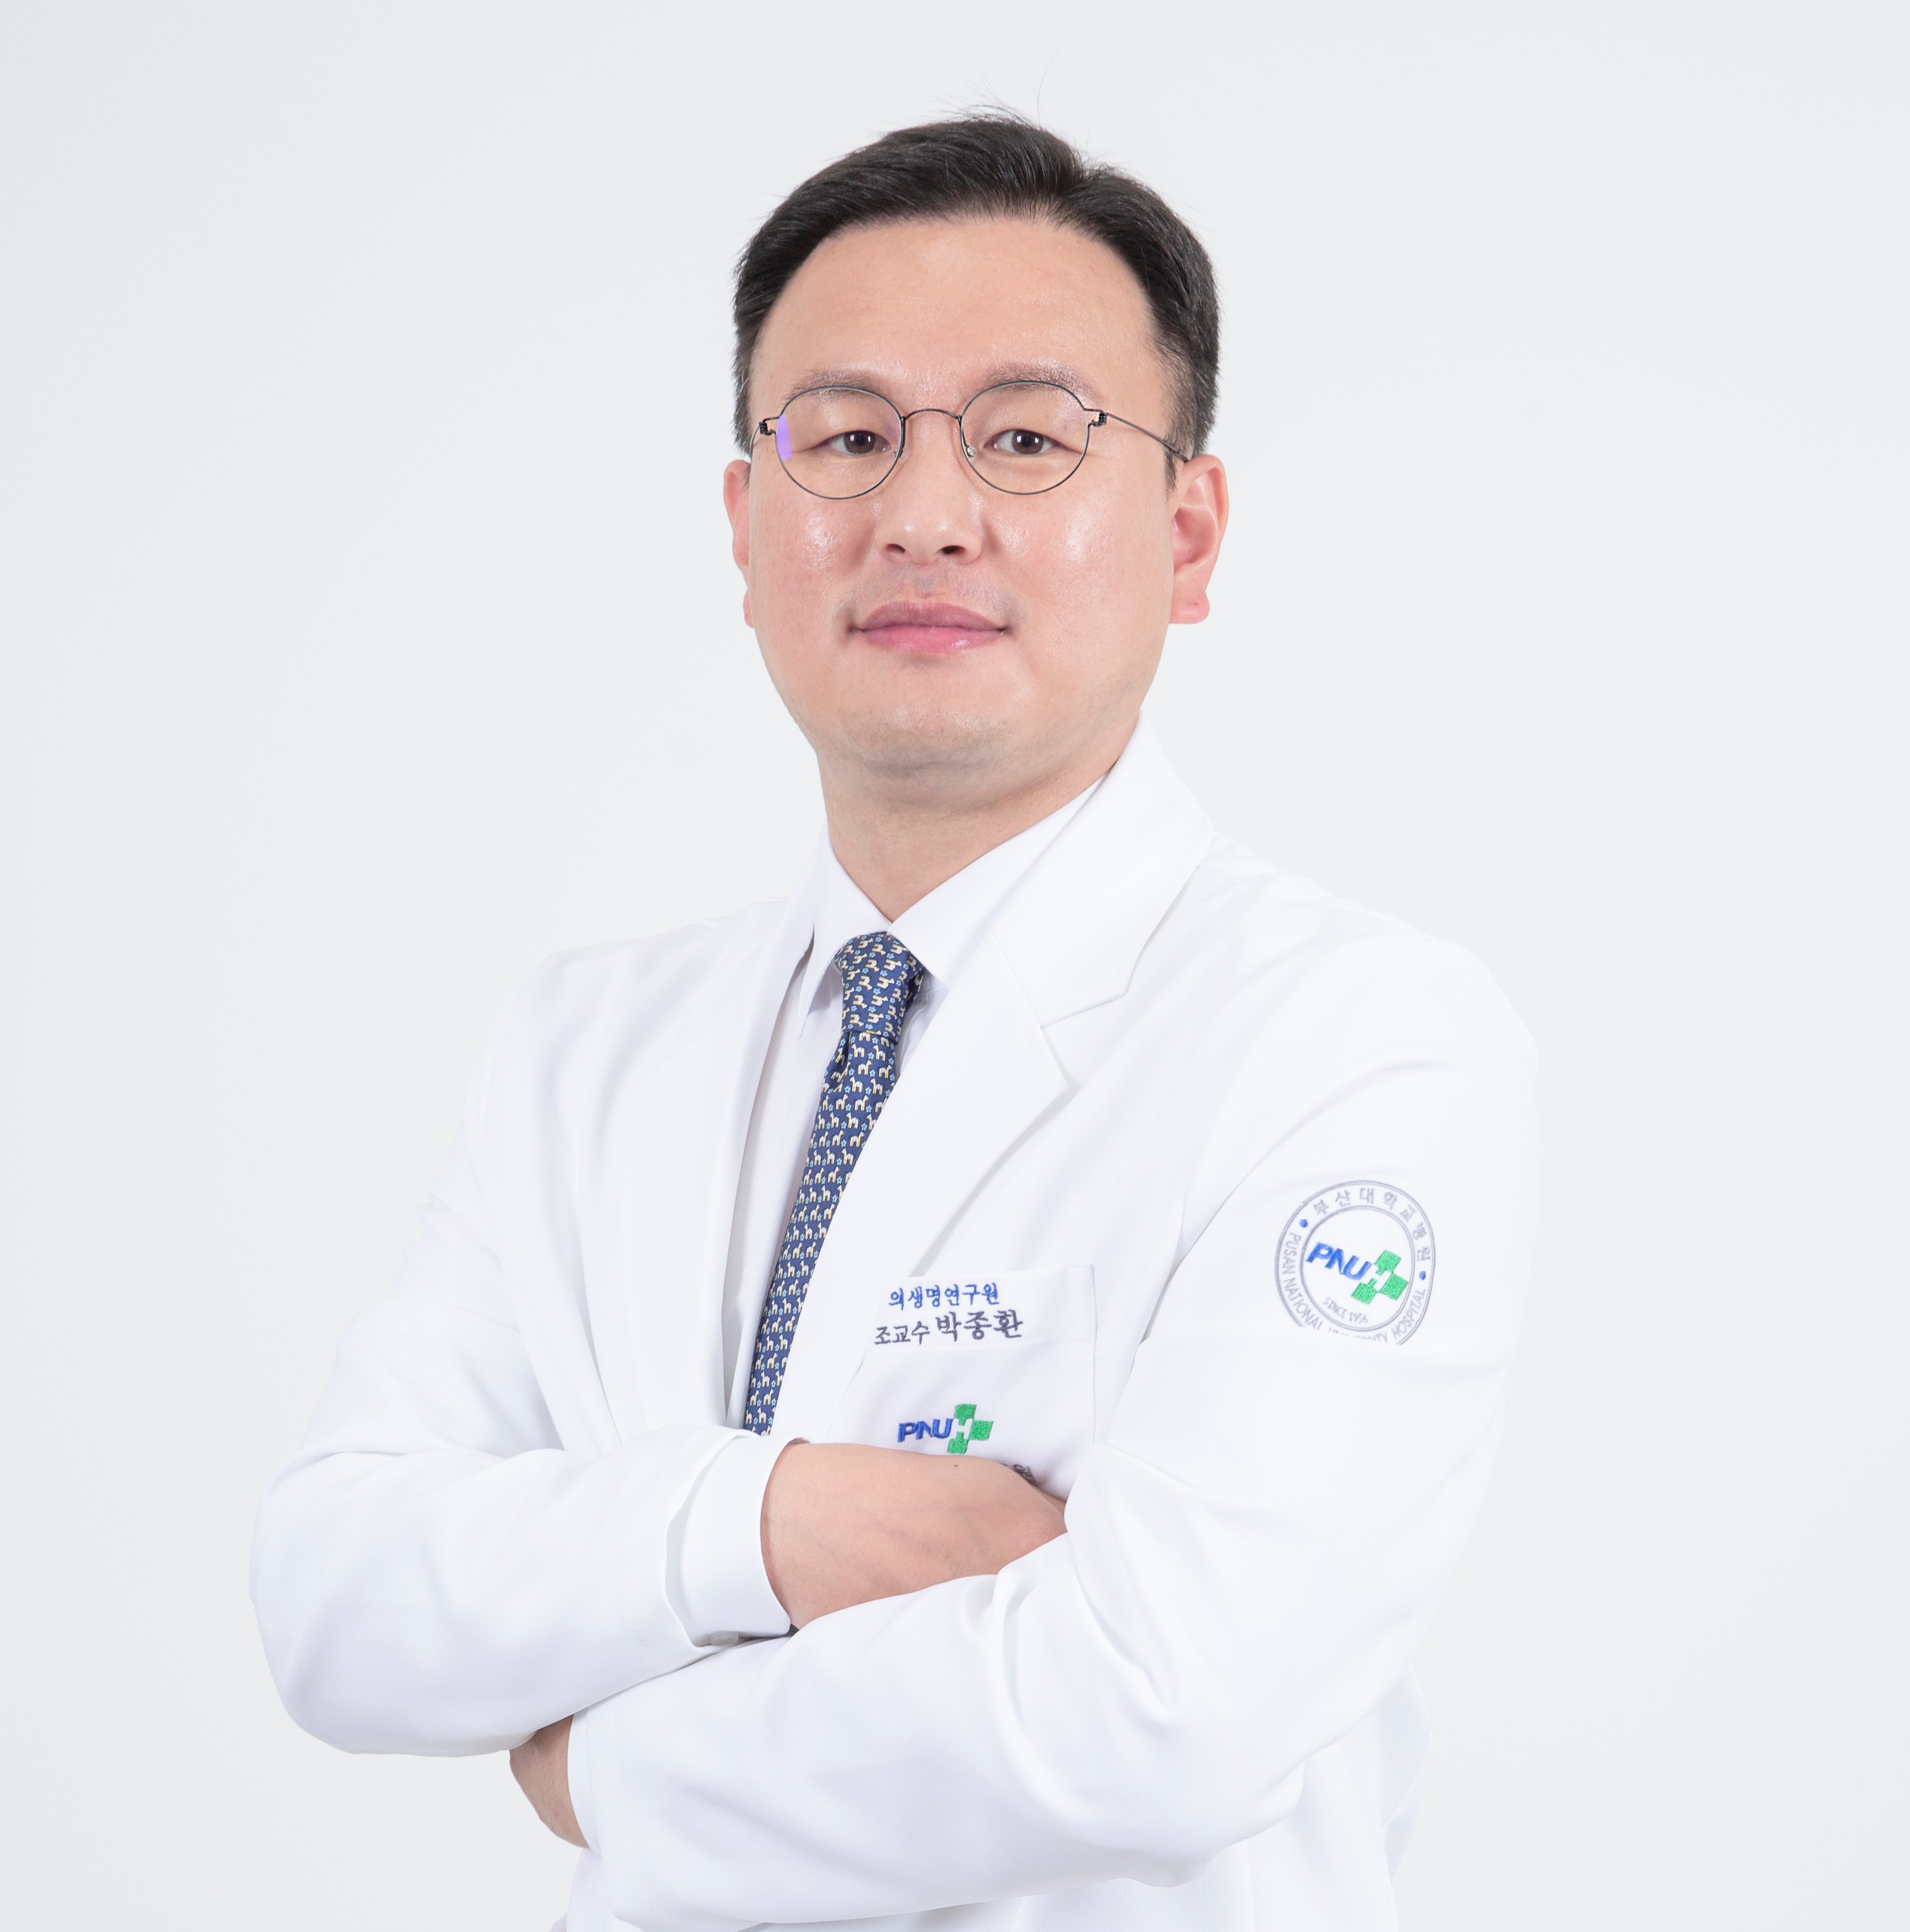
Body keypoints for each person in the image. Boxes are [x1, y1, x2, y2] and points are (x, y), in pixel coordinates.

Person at [253, 114, 1539, 1932]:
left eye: (1027, 436)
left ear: (1186, 533)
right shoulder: (585, 1047)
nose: (924, 515)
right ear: (745, 525)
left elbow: (1162, 1710)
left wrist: (603, 1767)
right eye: (848, 438)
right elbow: (335, 1594)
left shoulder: (1353, 1040)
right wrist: (761, 1520)